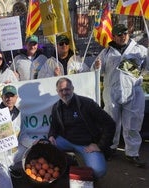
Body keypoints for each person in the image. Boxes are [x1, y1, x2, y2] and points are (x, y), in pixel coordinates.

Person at [92, 24, 147, 167]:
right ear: (114, 36)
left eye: (125, 34)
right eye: (119, 34)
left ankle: (132, 153)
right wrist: (97, 66)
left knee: (133, 124)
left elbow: (147, 67)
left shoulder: (140, 50)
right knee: (111, 122)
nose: (123, 36)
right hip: (112, 93)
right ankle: (110, 148)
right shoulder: (106, 52)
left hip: (133, 92)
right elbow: (95, 69)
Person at [48, 77, 116, 179]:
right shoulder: (56, 107)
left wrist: (100, 145)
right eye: (61, 90)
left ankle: (81, 161)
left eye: (67, 89)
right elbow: (54, 126)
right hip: (66, 141)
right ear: (57, 92)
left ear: (73, 89)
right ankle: (70, 161)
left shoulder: (87, 104)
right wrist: (51, 135)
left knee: (98, 171)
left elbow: (110, 123)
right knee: (48, 147)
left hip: (87, 145)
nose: (64, 92)